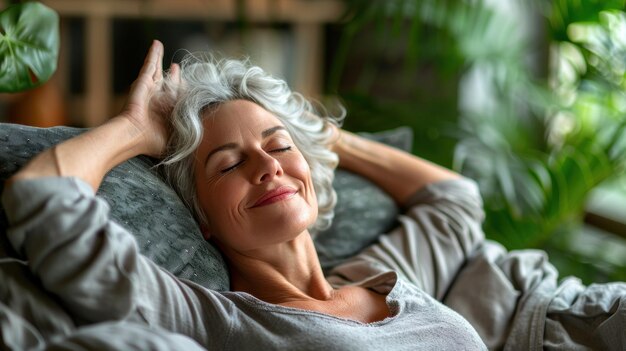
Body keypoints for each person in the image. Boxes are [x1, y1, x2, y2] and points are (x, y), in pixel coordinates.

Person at [2, 40, 624, 350]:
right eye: (229, 164)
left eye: (277, 148)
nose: (267, 169)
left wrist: (320, 135)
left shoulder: (387, 278)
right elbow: (45, 196)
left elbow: (453, 199)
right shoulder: (212, 316)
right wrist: (132, 131)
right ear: (204, 222)